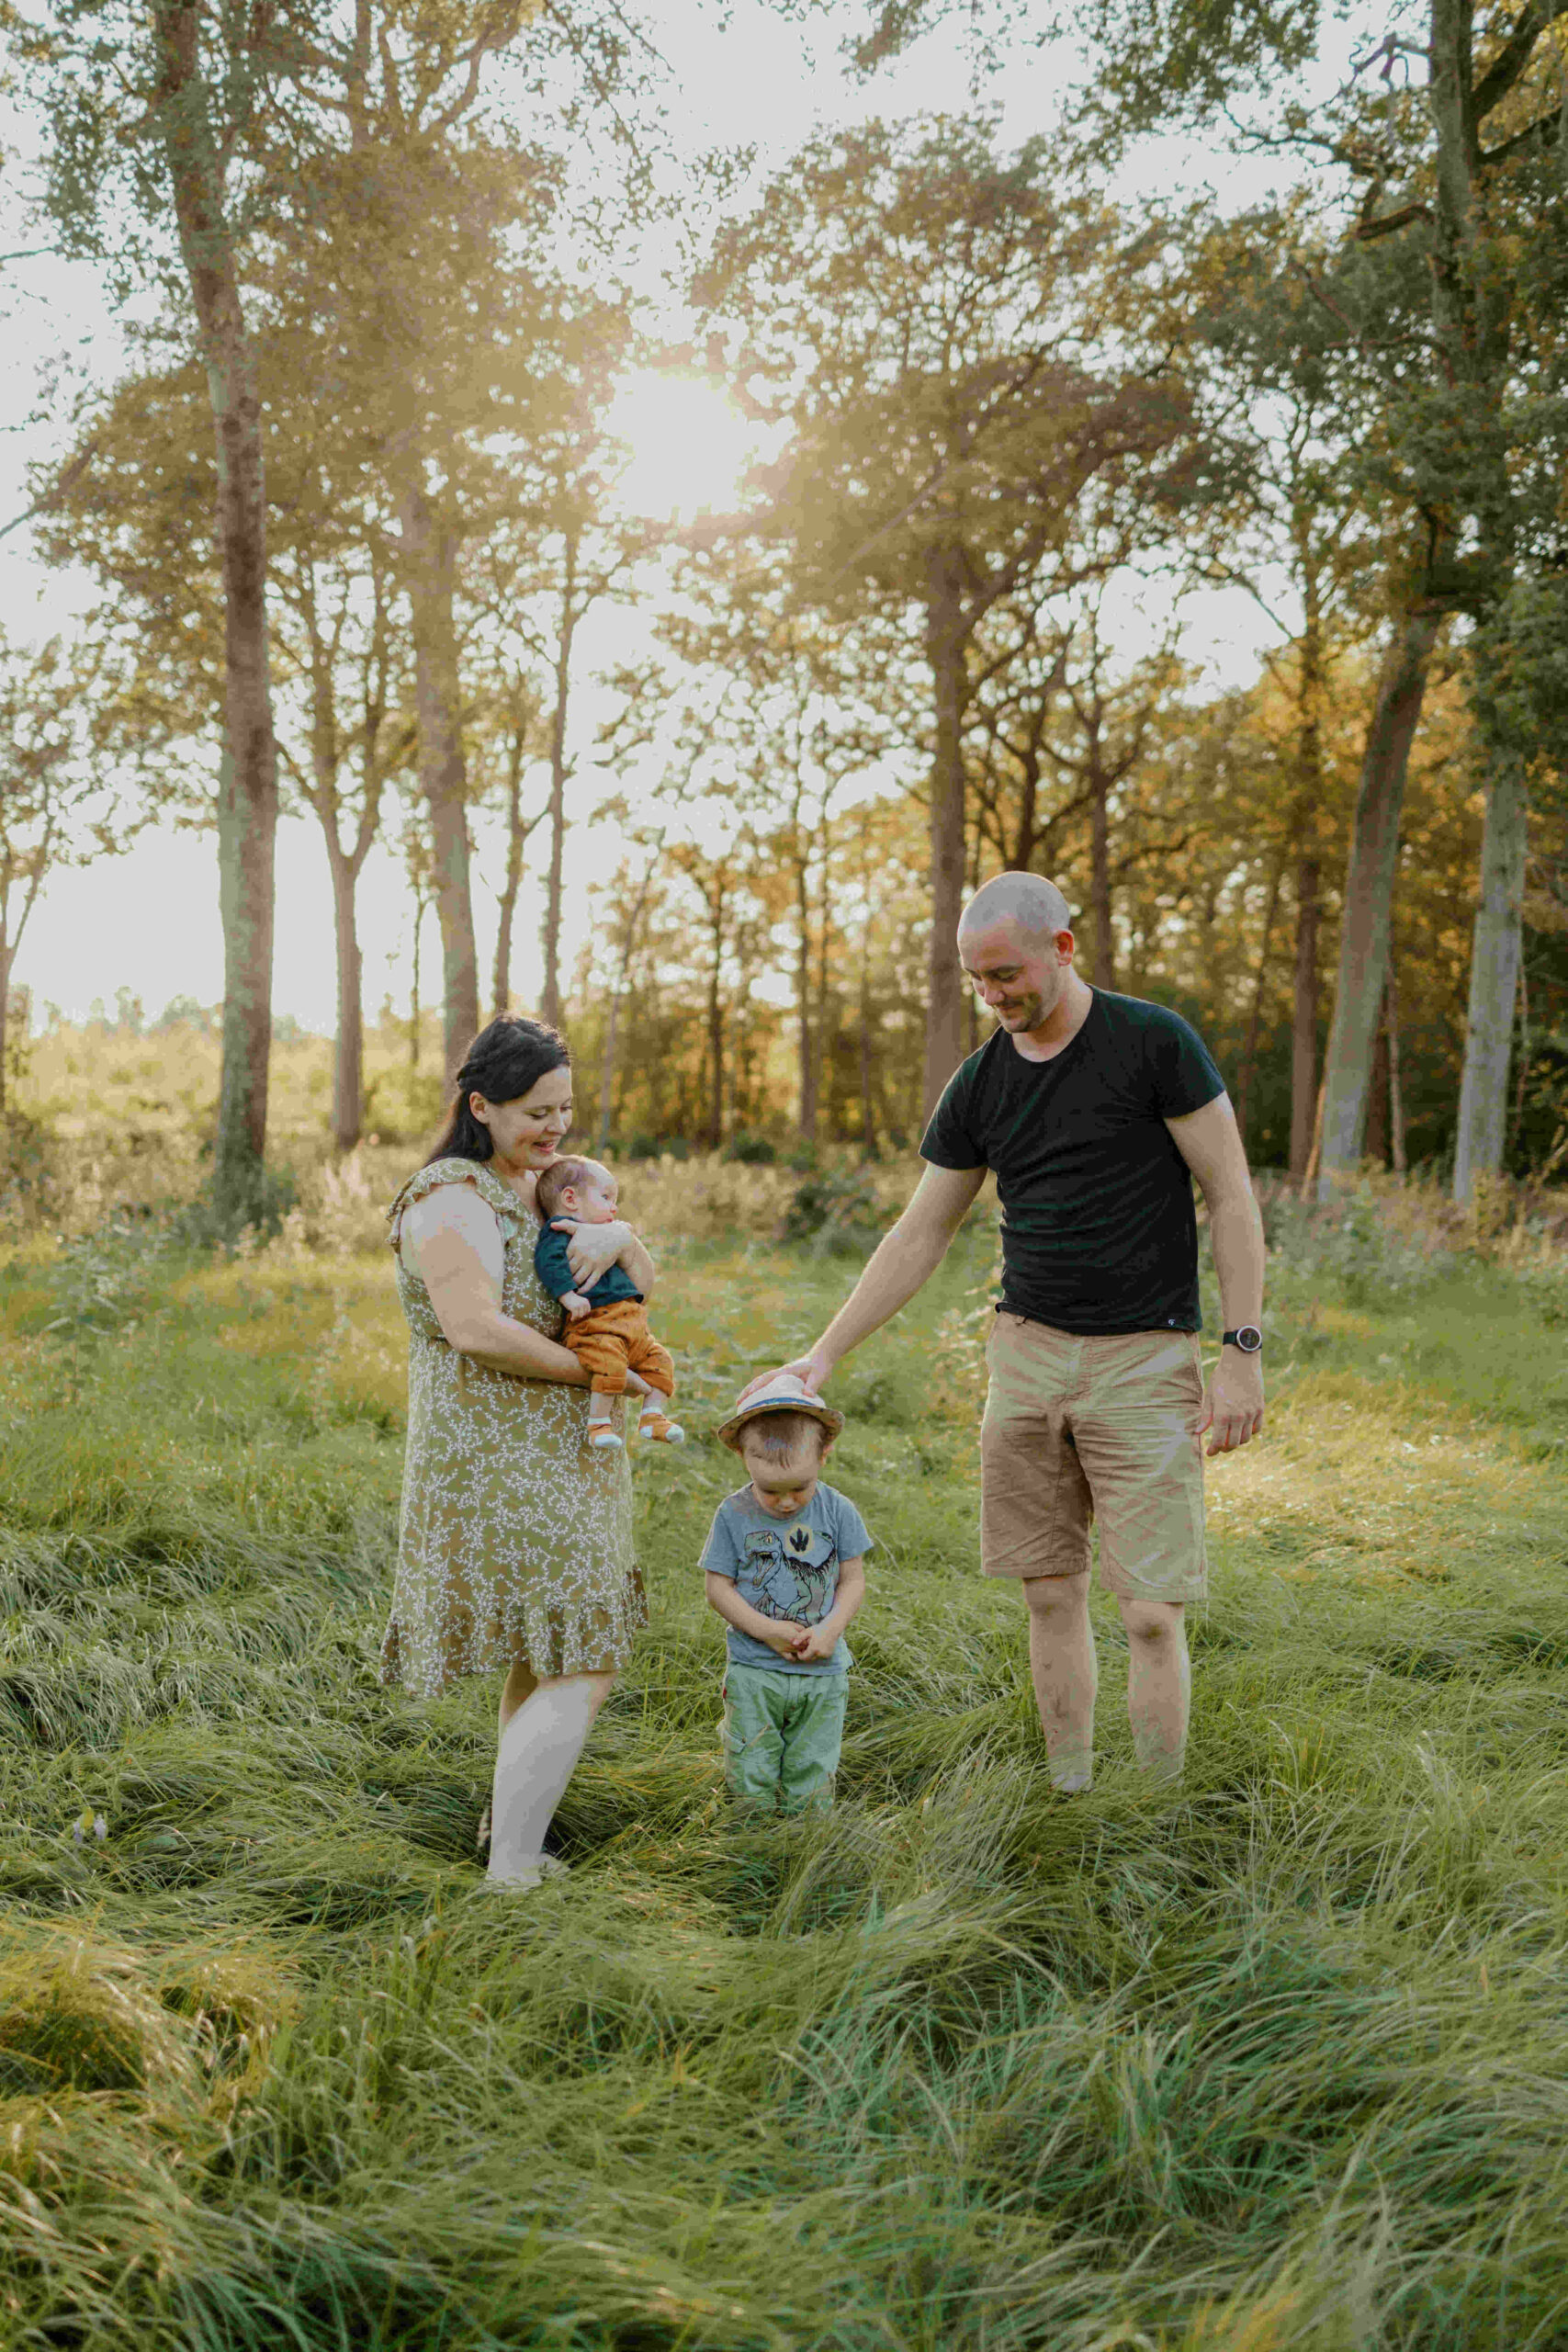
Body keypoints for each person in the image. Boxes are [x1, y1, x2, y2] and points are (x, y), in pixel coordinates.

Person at [741, 872, 1265, 1792]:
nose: (994, 995)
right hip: (1025, 1358)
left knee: (1150, 1612)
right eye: (977, 980)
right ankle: (1072, 1790)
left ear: (1063, 947)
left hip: (1146, 1357)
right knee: (1049, 1591)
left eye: (1006, 974)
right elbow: (920, 1232)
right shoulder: (981, 1083)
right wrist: (824, 1352)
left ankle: (1152, 1809)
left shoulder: (1154, 1044)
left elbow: (1231, 1196)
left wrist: (1241, 1353)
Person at [381, 1014, 653, 1890]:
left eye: (564, 1108)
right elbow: (474, 1328)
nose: (554, 1126)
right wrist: (592, 1375)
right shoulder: (450, 1194)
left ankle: (512, 1834)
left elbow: (628, 1281)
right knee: (586, 1658)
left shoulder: (546, 1187)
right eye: (537, 1109)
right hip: (497, 1462)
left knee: (548, 1650)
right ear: (481, 1106)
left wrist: (628, 1244)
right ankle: (510, 1872)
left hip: (562, 1462)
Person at [702, 1374, 872, 1814]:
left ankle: (805, 1843)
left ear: (824, 1454)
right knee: (750, 1763)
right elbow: (717, 1586)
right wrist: (766, 1630)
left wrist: (830, 1631)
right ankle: (752, 1842)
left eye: (799, 1487)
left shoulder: (838, 1510)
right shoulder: (733, 1513)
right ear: (743, 1458)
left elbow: (852, 1580)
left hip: (823, 1668)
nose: (784, 1503)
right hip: (755, 1670)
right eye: (769, 1490)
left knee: (813, 1765)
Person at [533, 1155, 683, 1451]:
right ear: (571, 1199)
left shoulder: (604, 1232)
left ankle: (653, 1417)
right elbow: (548, 1263)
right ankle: (598, 1423)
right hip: (596, 1325)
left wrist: (617, 1232)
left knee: (661, 1362)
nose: (614, 1207)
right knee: (609, 1365)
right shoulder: (560, 1230)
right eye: (605, 1198)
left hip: (631, 1325)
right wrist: (568, 1296)